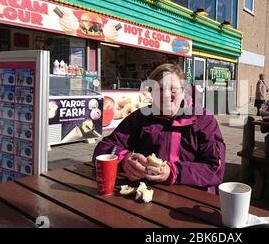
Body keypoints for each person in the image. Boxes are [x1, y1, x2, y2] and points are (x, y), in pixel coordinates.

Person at [92, 64, 226, 193]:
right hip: (147, 195)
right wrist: (123, 159)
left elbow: (215, 169)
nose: (166, 95)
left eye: (173, 89)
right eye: (159, 89)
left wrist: (174, 172)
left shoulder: (204, 120)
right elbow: (103, 148)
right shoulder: (140, 118)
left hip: (191, 199)